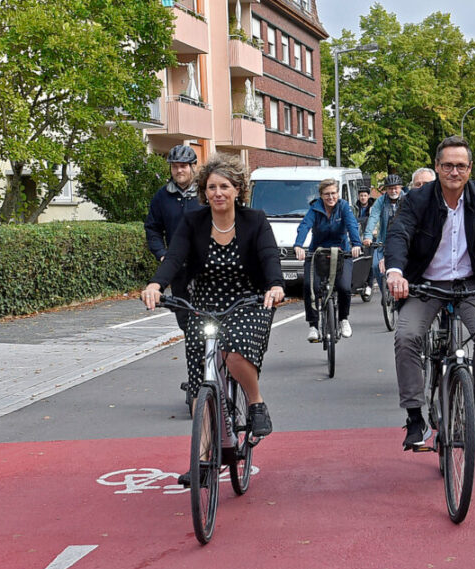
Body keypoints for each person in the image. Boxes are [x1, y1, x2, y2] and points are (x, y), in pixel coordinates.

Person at [385, 136, 475, 447]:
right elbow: (399, 233)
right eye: (447, 165)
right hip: (426, 285)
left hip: (471, 284)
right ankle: (414, 417)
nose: (454, 171)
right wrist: (395, 272)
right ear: (437, 167)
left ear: (469, 169)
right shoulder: (417, 200)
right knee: (407, 336)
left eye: (460, 166)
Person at [141, 154, 285, 445]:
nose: (217, 193)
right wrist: (156, 284)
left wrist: (275, 286)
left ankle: (255, 402)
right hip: (203, 303)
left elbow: (269, 257)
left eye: (224, 186)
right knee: (198, 378)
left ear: (237, 190)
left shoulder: (254, 220)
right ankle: (203, 459)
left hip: (247, 302)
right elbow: (175, 256)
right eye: (211, 187)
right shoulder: (193, 221)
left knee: (232, 352)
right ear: (204, 192)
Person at [295, 178, 363, 342]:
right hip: (317, 252)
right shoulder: (315, 208)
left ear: (338, 193)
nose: (331, 197)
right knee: (309, 285)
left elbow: (352, 224)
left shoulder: (343, 207)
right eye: (327, 194)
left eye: (333, 193)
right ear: (321, 195)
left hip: (341, 252)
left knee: (344, 287)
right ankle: (313, 325)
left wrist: (356, 244)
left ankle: (343, 319)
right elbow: (304, 225)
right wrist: (298, 245)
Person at [144, 145, 202, 332]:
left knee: (211, 314)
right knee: (185, 319)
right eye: (175, 166)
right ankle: (198, 358)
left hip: (205, 265)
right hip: (178, 269)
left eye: (183, 166)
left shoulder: (206, 193)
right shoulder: (162, 197)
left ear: (193, 166)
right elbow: (152, 228)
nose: (179, 170)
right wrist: (162, 254)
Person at [362, 174, 405, 294]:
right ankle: (385, 295)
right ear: (386, 189)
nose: (393, 191)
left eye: (396, 188)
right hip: (383, 241)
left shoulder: (407, 199)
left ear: (400, 187)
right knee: (376, 266)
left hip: (402, 241)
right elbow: (373, 217)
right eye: (390, 188)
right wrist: (368, 236)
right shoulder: (381, 201)